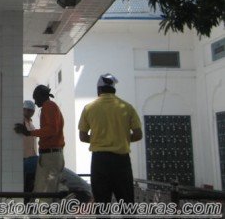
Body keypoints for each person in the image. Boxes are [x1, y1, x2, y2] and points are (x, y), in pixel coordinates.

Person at [78, 73, 142, 205]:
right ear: (114, 90)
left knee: (101, 204)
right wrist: (120, 138)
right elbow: (138, 134)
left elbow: (83, 136)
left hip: (100, 161)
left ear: (99, 90)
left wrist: (100, 139)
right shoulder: (127, 107)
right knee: (127, 204)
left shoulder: (89, 108)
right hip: (121, 162)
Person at [14, 85, 68, 202]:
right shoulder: (50, 107)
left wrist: (29, 133)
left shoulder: (48, 106)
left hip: (50, 155)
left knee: (45, 195)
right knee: (42, 192)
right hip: (49, 155)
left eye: (36, 98)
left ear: (42, 96)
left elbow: (51, 130)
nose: (35, 102)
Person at [22, 100, 38, 203]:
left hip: (32, 158)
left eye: (31, 110)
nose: (29, 112)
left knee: (31, 185)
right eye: (27, 110)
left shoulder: (31, 123)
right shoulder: (21, 121)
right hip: (24, 158)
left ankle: (29, 205)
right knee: (26, 185)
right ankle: (25, 205)